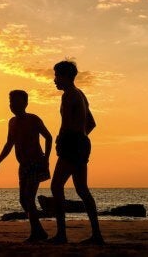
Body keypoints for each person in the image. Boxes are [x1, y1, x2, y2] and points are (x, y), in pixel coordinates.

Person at [49, 60, 104, 245]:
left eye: (56, 75)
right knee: (82, 189)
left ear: (65, 76)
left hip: (72, 143)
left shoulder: (69, 95)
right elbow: (91, 124)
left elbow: (65, 124)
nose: (54, 80)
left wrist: (62, 140)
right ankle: (96, 234)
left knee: (56, 186)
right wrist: (81, 137)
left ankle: (62, 235)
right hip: (81, 142)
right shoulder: (81, 94)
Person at [0, 90, 53, 242]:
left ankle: (36, 233)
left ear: (25, 103)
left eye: (17, 102)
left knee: (29, 198)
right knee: (23, 200)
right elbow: (9, 144)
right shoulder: (12, 122)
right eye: (11, 102)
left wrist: (46, 159)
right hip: (23, 166)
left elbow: (48, 137)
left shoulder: (33, 119)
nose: (13, 105)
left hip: (36, 163)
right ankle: (39, 231)